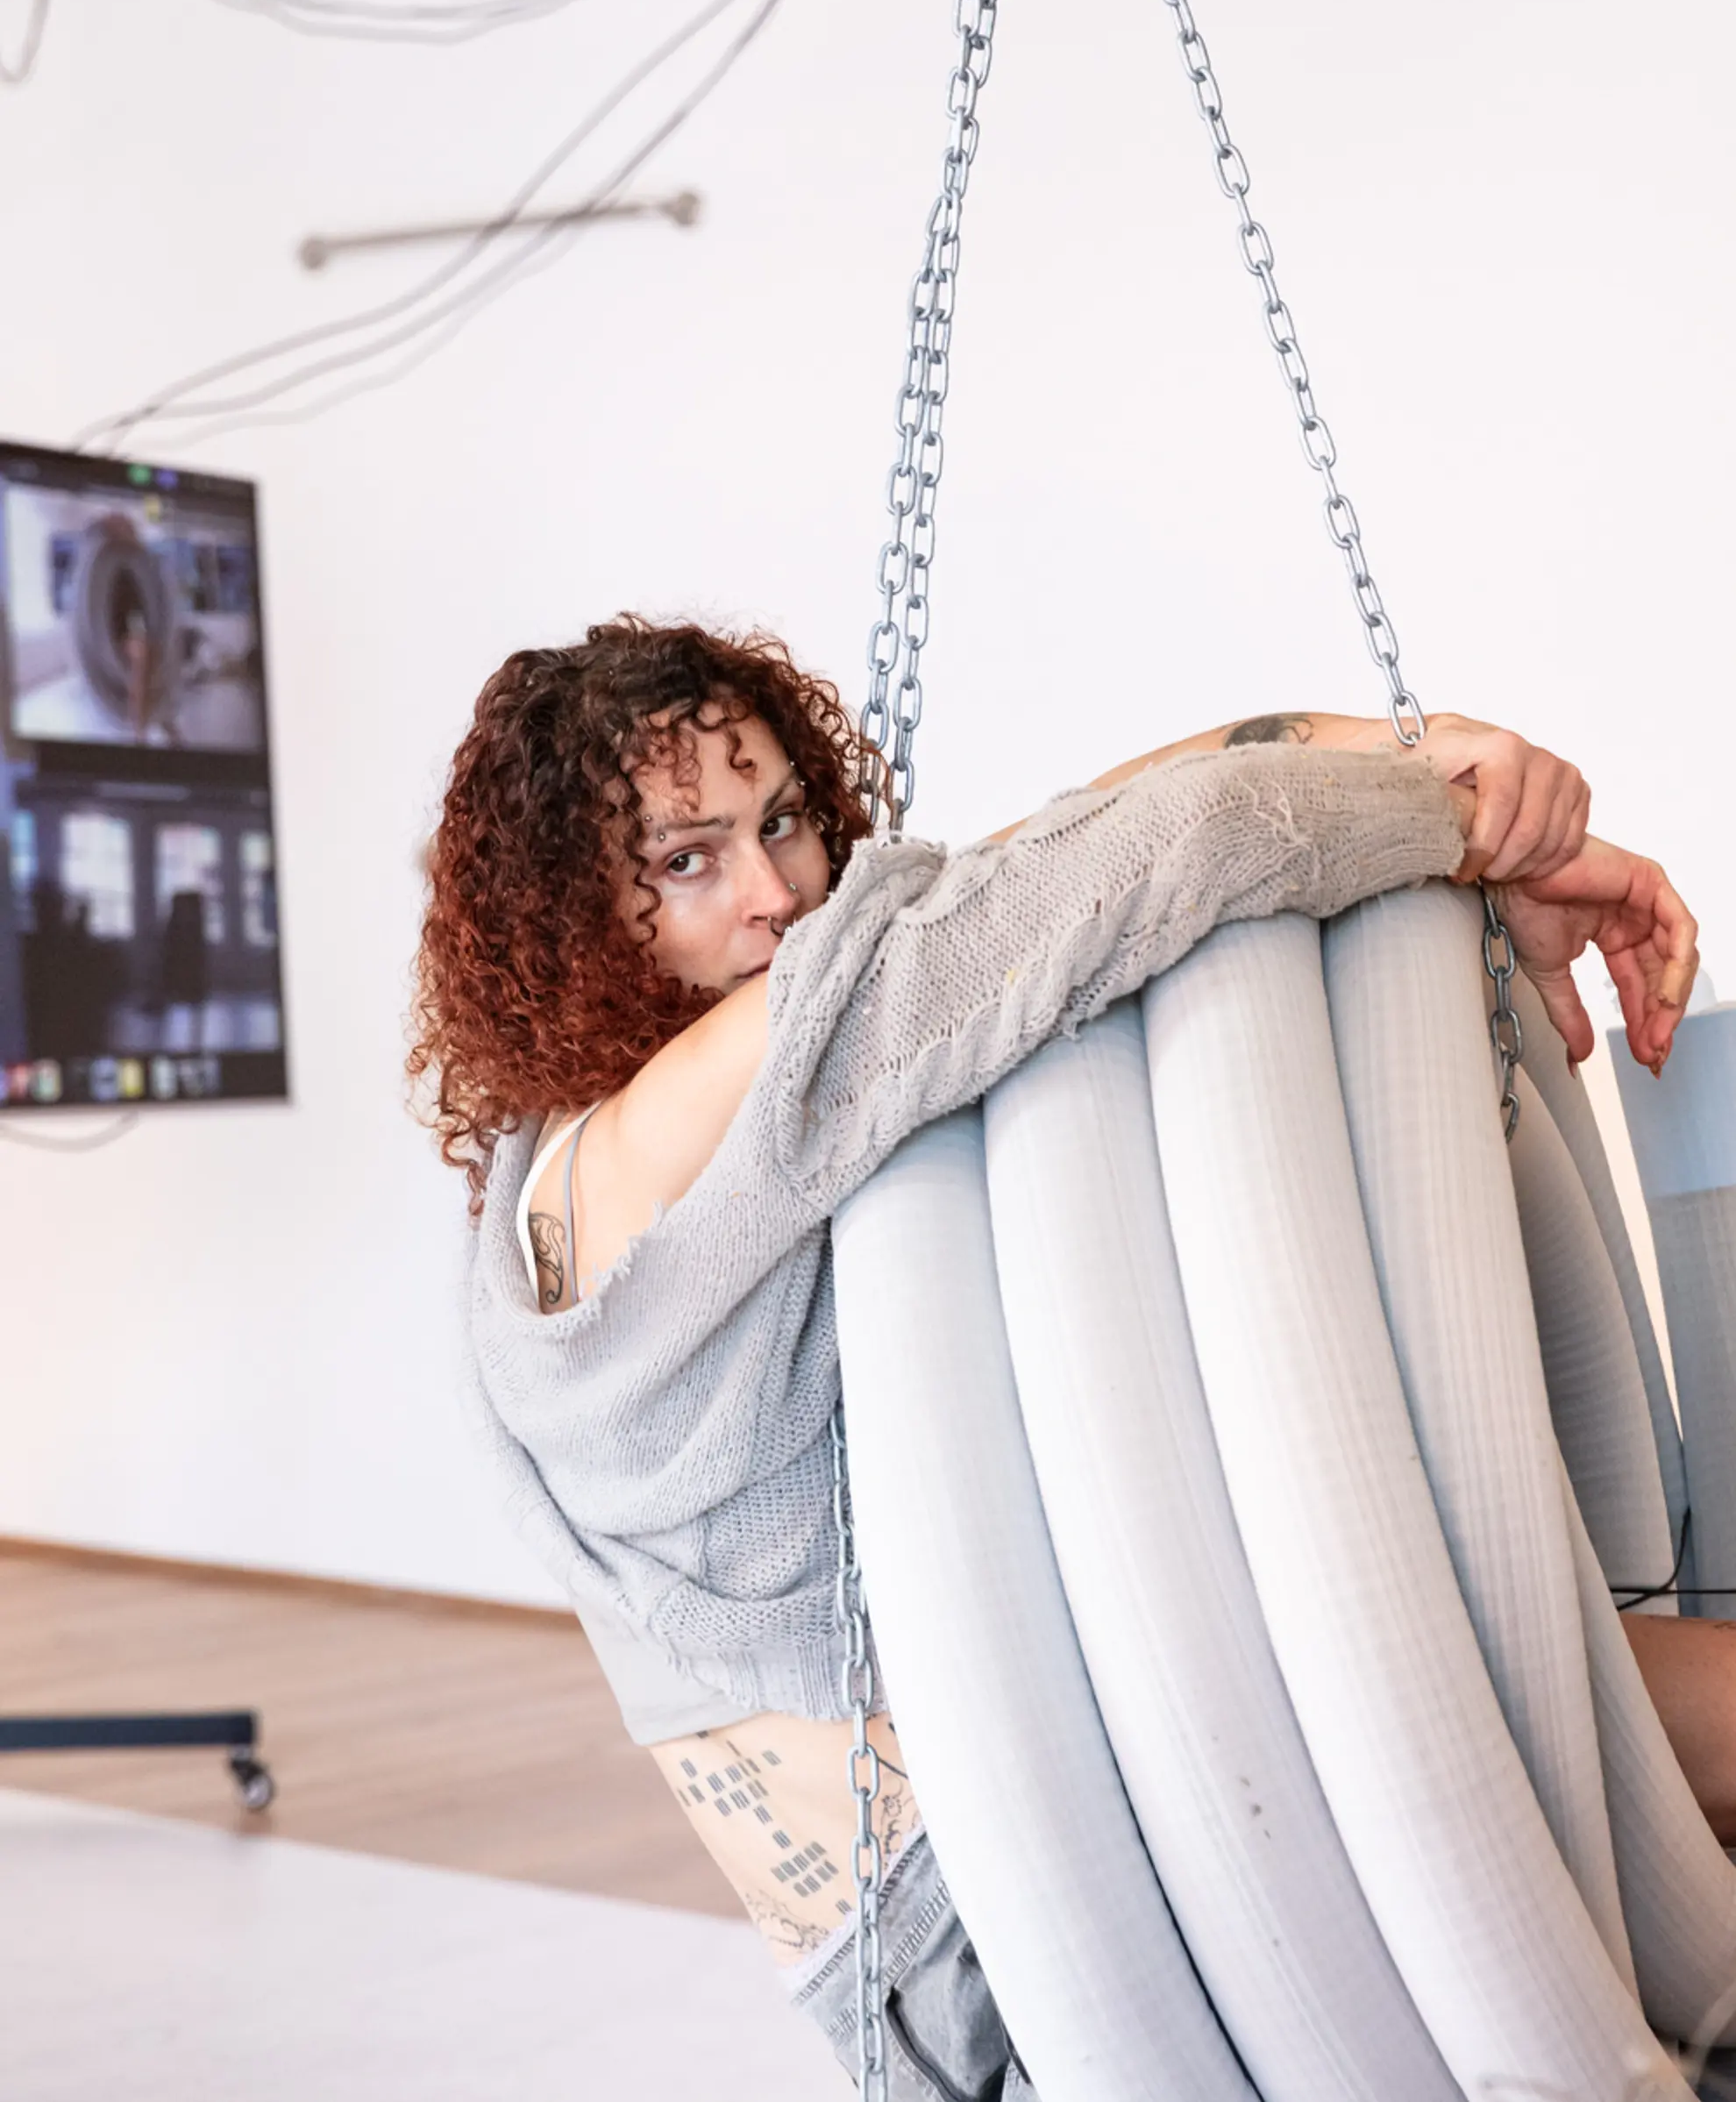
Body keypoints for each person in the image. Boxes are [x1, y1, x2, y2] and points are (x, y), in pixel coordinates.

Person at [412, 616, 1715, 2100]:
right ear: (574, 919)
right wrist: (1450, 813)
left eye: (781, 819)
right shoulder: (623, 1173)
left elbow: (1047, 856)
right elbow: (1074, 896)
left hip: (1116, 1779)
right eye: (688, 860)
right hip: (1003, 1945)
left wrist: (1416, 758)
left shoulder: (744, 1113)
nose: (777, 891)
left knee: (1480, 1657)